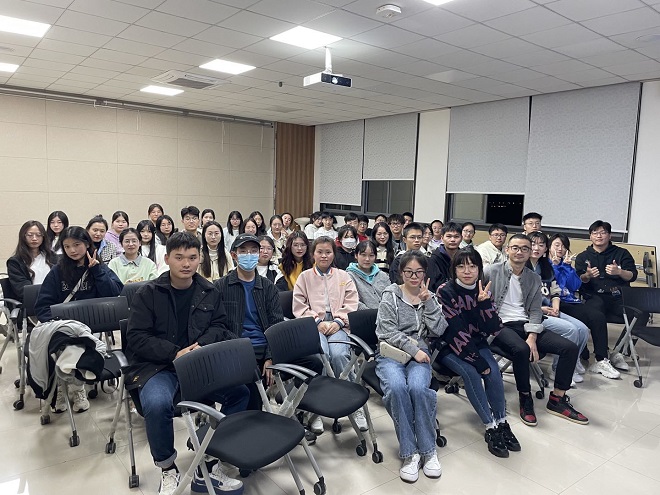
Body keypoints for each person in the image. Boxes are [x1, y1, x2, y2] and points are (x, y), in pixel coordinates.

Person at [125, 232, 248, 495]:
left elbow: (219, 325)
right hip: (158, 366)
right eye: (179, 257)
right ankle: (168, 468)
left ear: (199, 258)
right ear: (167, 258)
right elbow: (136, 337)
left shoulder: (209, 291)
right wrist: (175, 353)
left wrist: (200, 346)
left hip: (197, 363)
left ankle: (210, 458)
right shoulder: (148, 293)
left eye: (192, 257)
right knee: (157, 404)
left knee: (240, 393)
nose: (186, 264)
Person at [485, 234, 588, 427]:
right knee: (522, 350)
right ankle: (525, 397)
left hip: (525, 324)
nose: (520, 252)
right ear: (507, 250)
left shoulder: (533, 278)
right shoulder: (491, 271)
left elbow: (534, 311)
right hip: (498, 325)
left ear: (529, 252)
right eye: (515, 248)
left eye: (524, 248)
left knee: (569, 348)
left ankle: (557, 399)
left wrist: (532, 336)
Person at [215, 234, 322, 411]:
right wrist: (243, 351)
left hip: (266, 346)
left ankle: (291, 407)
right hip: (240, 349)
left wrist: (269, 355)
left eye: (253, 251)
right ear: (234, 255)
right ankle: (256, 418)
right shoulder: (221, 286)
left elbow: (276, 324)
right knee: (253, 382)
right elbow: (219, 326)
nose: (249, 255)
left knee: (313, 364)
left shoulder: (267, 286)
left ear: (259, 254)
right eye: (243, 251)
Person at [438, 249, 521, 458]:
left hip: (476, 343)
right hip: (449, 345)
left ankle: (502, 422)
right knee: (473, 374)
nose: (467, 271)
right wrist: (477, 361)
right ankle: (490, 426)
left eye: (472, 266)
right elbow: (454, 330)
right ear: (454, 269)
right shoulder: (445, 291)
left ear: (479, 269)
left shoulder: (483, 290)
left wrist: (484, 304)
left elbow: (494, 328)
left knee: (494, 374)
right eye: (461, 266)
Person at [35, 226, 123, 414]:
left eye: (77, 245)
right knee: (64, 345)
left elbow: (114, 294)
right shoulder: (58, 272)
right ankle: (66, 387)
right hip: (64, 328)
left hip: (90, 328)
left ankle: (74, 387)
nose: (72, 250)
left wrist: (97, 271)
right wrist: (58, 324)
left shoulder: (99, 268)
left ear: (87, 244)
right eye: (67, 246)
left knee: (81, 344)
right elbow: (42, 306)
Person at [375, 250, 445, 482]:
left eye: (419, 272)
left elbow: (439, 329)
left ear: (425, 273)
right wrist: (413, 350)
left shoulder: (429, 296)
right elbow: (385, 330)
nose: (414, 277)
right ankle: (410, 453)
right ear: (401, 272)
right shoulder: (390, 295)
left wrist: (429, 303)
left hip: (420, 354)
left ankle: (428, 450)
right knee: (396, 388)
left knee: (418, 388)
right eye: (409, 272)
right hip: (392, 353)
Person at [292, 237, 366, 431]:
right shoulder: (305, 277)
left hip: (339, 324)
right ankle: (315, 408)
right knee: (320, 356)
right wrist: (316, 321)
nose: (324, 256)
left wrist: (338, 321)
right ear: (313, 254)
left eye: (328, 252)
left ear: (334, 254)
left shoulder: (343, 276)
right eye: (320, 252)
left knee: (340, 355)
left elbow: (352, 302)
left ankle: (353, 404)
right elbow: (299, 305)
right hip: (313, 325)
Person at [575, 220, 646, 372]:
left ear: (609, 235)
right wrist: (587, 275)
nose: (599, 236)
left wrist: (619, 272)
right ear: (590, 236)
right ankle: (601, 357)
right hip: (594, 296)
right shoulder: (583, 257)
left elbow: (632, 275)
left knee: (641, 313)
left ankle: (620, 352)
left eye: (603, 232)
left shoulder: (622, 253)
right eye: (595, 233)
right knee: (596, 313)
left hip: (618, 297)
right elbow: (579, 280)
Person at [548, 233, 620, 379]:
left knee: (598, 316)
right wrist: (555, 266)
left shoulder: (565, 264)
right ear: (549, 247)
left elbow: (575, 286)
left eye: (564, 246)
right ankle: (575, 358)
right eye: (557, 245)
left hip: (570, 301)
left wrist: (567, 267)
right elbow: (552, 285)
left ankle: (601, 360)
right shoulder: (545, 265)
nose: (560, 249)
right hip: (554, 302)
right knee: (585, 322)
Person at [526, 231, 588, 386]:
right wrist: (541, 309)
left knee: (583, 330)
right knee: (571, 330)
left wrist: (555, 307)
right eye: (533, 244)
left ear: (545, 248)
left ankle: (570, 365)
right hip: (531, 313)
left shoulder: (546, 266)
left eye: (541, 245)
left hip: (549, 309)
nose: (537, 248)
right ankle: (558, 369)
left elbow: (555, 291)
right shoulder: (522, 266)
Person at [7, 220, 57, 302]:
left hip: (54, 299)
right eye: (30, 235)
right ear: (23, 236)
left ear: (43, 237)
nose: (34, 238)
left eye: (38, 235)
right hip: (32, 301)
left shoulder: (52, 257)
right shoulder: (15, 262)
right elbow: (22, 290)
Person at [346, 240, 390, 310]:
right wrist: (371, 313)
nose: (367, 259)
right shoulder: (349, 276)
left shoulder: (383, 275)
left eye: (371, 255)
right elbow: (352, 300)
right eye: (363, 255)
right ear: (356, 255)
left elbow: (390, 296)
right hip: (362, 315)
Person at [428, 222, 463, 291]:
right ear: (442, 238)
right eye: (449, 236)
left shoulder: (464, 258)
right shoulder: (434, 259)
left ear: (461, 238)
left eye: (456, 236)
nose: (452, 240)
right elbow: (432, 285)